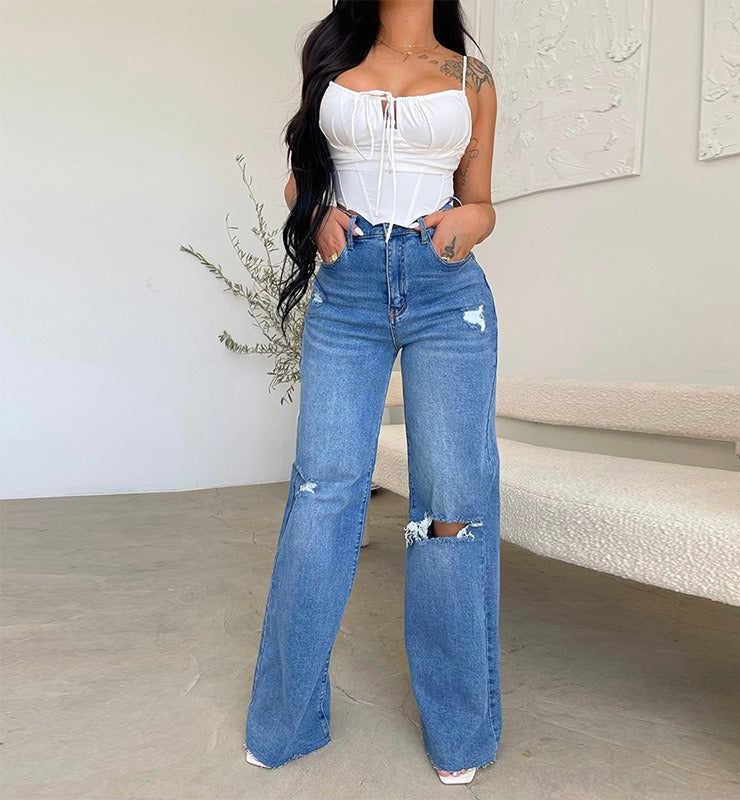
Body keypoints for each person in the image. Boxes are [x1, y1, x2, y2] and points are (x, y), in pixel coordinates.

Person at [244, 0, 501, 786]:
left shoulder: (471, 77)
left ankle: (460, 731)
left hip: (445, 293)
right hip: (347, 294)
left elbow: (482, 200)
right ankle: (288, 721)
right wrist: (316, 214)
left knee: (451, 504)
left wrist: (471, 223)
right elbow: (301, 178)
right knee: (322, 494)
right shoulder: (333, 59)